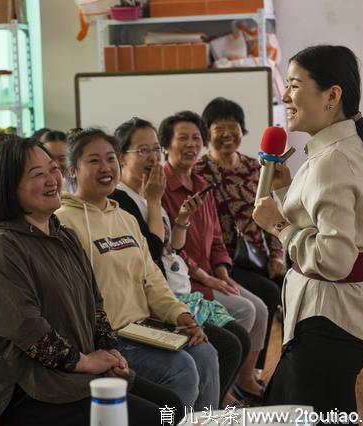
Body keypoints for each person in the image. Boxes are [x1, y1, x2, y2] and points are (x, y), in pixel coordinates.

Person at [0, 136, 183, 425]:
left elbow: (96, 305)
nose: (53, 179)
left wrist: (109, 351)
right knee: (153, 418)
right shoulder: (0, 247)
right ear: (9, 187)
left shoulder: (63, 235)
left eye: (53, 169)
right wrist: (87, 363)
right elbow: (29, 331)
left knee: (171, 408)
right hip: (28, 388)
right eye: (38, 174)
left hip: (77, 372)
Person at [252, 45, 363, 417]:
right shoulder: (338, 149)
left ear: (332, 96)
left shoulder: (332, 160)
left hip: (327, 321)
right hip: (329, 319)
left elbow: (334, 258)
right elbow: (321, 220)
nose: (284, 95)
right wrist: (285, 189)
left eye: (295, 85)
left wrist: (277, 226)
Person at [56, 128, 220, 411]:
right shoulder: (63, 222)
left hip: (143, 329)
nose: (106, 168)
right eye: (94, 161)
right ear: (73, 170)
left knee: (206, 354)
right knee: (181, 368)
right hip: (108, 338)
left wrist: (180, 315)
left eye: (110, 159)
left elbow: (153, 279)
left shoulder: (125, 218)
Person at [110, 117, 249, 406]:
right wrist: (155, 201)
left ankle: (212, 407)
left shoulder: (149, 192)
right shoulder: (122, 200)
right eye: (142, 151)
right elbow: (149, 253)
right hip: (154, 303)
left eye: (154, 150)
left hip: (175, 292)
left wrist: (182, 220)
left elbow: (171, 248)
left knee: (233, 340)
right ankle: (209, 408)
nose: (152, 158)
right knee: (222, 347)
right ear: (122, 156)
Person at [159, 110, 269, 402]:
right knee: (245, 309)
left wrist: (221, 270)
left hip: (210, 274)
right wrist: (208, 277)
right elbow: (171, 247)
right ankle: (224, 390)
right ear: (166, 145)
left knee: (261, 308)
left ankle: (243, 377)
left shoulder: (201, 184)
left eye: (196, 138)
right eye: (182, 138)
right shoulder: (160, 188)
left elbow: (217, 237)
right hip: (188, 283)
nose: (191, 144)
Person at [195, 97, 283, 377]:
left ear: (242, 129)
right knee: (268, 292)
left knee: (286, 283)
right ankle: (249, 373)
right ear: (207, 132)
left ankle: (265, 366)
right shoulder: (199, 171)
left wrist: (278, 255)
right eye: (219, 128)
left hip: (256, 255)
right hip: (223, 260)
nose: (226, 134)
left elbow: (273, 210)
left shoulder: (255, 168)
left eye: (232, 127)